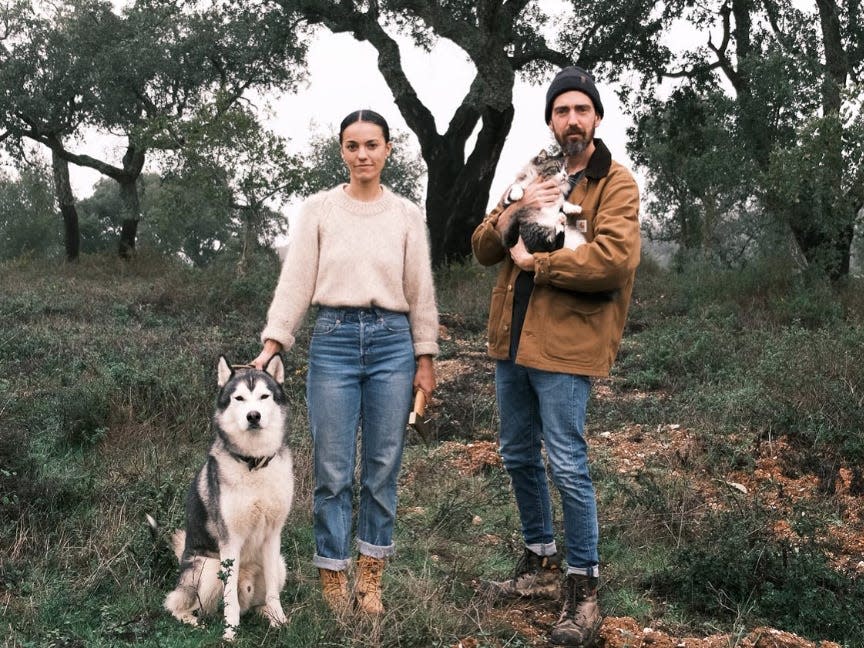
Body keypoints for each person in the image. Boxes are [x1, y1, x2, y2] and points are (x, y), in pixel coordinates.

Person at [471, 66, 640, 647]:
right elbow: (482, 245)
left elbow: (613, 261)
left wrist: (537, 264)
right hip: (512, 340)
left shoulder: (615, 183)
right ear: (550, 120)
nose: (572, 119)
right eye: (562, 110)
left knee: (567, 461)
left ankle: (583, 590)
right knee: (518, 453)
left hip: (567, 346)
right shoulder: (533, 171)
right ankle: (539, 560)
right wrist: (518, 204)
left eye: (582, 110)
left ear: (596, 118)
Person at [251, 109, 438, 616]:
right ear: (342, 151)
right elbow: (296, 281)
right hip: (333, 339)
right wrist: (274, 343)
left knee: (382, 467)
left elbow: (420, 290)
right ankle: (333, 576)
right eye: (353, 146)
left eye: (372, 145)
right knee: (332, 471)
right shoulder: (318, 210)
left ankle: (370, 579)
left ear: (388, 151)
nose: (363, 155)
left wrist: (425, 355)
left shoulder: (405, 215)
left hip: (392, 344)